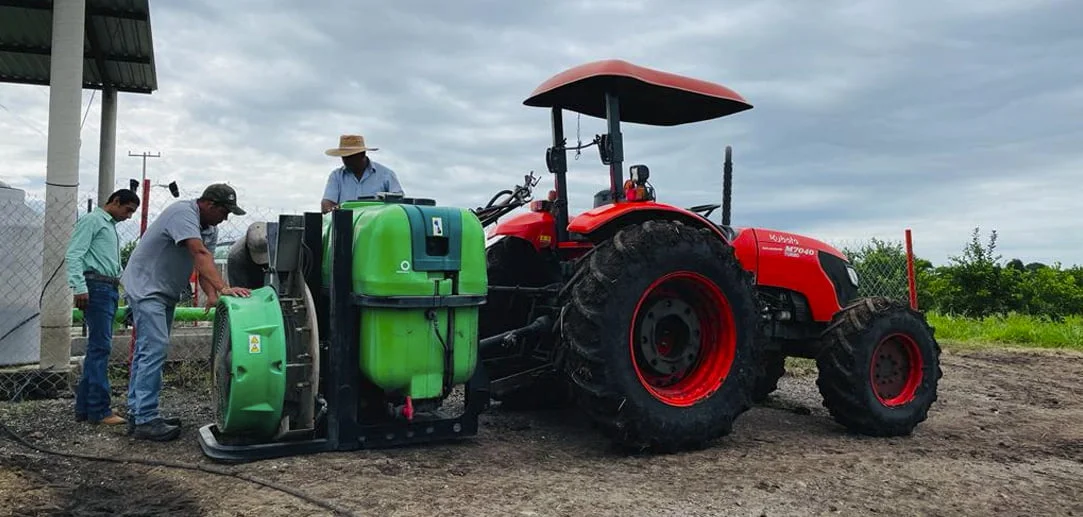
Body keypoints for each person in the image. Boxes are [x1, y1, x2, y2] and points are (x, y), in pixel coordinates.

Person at [121, 183, 252, 441]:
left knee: (148, 349)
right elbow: (198, 252)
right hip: (147, 287)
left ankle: (138, 413)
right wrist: (224, 288)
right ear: (210, 205)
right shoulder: (183, 214)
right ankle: (146, 418)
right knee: (154, 349)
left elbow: (204, 264)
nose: (225, 219)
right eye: (225, 212)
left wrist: (213, 294)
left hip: (163, 290)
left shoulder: (209, 228)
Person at [66, 189, 141, 426]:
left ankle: (86, 409)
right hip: (96, 286)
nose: (128, 216)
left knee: (98, 349)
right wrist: (79, 287)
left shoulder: (107, 225)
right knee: (100, 349)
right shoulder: (93, 221)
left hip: (105, 286)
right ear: (116, 201)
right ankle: (99, 410)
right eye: (127, 209)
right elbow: (73, 254)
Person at [321, 133, 404, 213]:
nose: (346, 160)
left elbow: (399, 203)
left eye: (350, 156)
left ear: (362, 154)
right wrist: (335, 209)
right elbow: (326, 205)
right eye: (344, 156)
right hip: (346, 226)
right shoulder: (336, 176)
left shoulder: (386, 175)